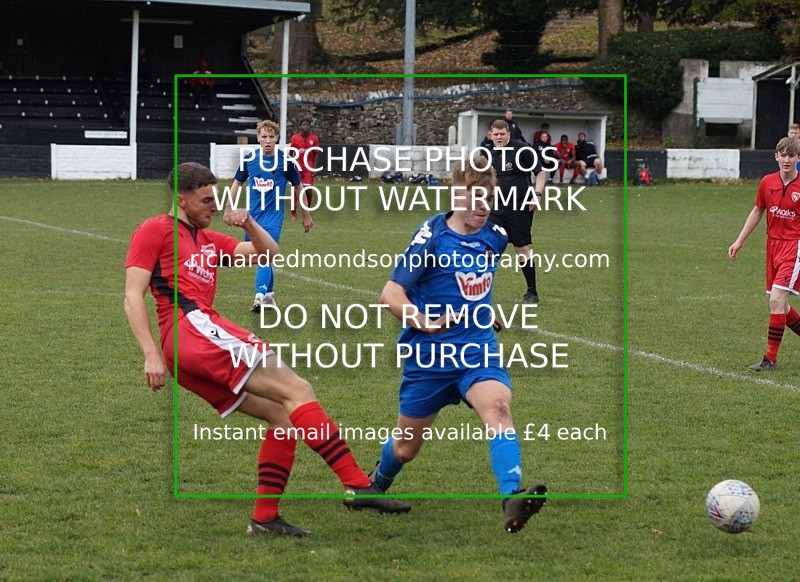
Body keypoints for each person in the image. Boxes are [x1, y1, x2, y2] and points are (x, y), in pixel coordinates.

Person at [124, 162, 410, 537]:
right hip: (191, 330)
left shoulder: (207, 240)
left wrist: (249, 223)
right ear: (181, 200)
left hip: (190, 347)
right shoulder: (155, 229)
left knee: (282, 415)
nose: (214, 206)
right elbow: (132, 295)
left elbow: (267, 253)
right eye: (206, 200)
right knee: (298, 388)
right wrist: (149, 353)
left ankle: (264, 519)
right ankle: (357, 484)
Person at [369, 159, 547, 534]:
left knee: (499, 408)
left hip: (476, 352)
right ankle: (375, 484)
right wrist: (426, 322)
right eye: (476, 199)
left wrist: (484, 309)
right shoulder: (431, 237)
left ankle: (512, 497)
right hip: (429, 358)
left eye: (489, 199)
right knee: (405, 449)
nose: (484, 207)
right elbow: (391, 294)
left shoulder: (495, 235)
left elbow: (472, 281)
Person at [225, 119, 313, 312]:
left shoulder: (285, 161)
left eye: (271, 137)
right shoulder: (249, 159)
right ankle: (269, 296)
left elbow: (299, 187)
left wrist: (306, 214)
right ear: (258, 138)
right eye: (264, 136)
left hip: (273, 218)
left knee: (264, 255)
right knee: (261, 256)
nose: (267, 140)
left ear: (277, 138)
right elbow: (237, 183)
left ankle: (259, 297)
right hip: (252, 219)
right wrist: (228, 207)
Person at [728, 136, 800, 371]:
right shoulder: (767, 182)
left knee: (776, 299)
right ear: (776, 157)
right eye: (783, 155)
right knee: (783, 307)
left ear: (798, 158)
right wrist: (739, 241)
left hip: (794, 247)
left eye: (791, 156)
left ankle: (770, 359)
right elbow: (758, 210)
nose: (787, 160)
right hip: (773, 246)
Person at [484, 118, 545, 304]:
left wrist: (537, 194)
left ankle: (532, 292)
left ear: (508, 134)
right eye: (496, 134)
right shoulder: (491, 155)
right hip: (496, 209)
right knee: (488, 247)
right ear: (491, 135)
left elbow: (540, 172)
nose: (499, 137)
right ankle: (480, 293)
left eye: (502, 134)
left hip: (520, 208)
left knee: (520, 248)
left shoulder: (522, 149)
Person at [289, 119, 321, 220]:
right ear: (300, 126)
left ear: (309, 126)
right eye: (304, 125)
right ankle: (293, 212)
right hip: (297, 167)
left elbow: (316, 153)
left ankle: (307, 210)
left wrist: (314, 167)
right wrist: (291, 164)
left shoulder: (314, 138)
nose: (305, 127)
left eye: (307, 125)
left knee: (308, 189)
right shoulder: (295, 138)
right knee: (296, 188)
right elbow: (291, 152)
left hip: (308, 168)